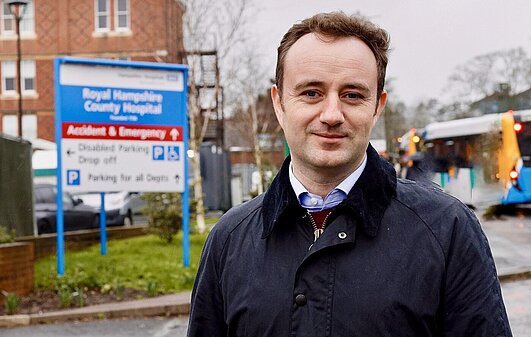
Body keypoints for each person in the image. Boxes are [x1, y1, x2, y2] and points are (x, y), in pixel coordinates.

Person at [187, 12, 512, 337]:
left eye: (352, 95)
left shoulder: (447, 230)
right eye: (311, 93)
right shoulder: (228, 240)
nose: (331, 115)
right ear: (279, 104)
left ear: (377, 107)